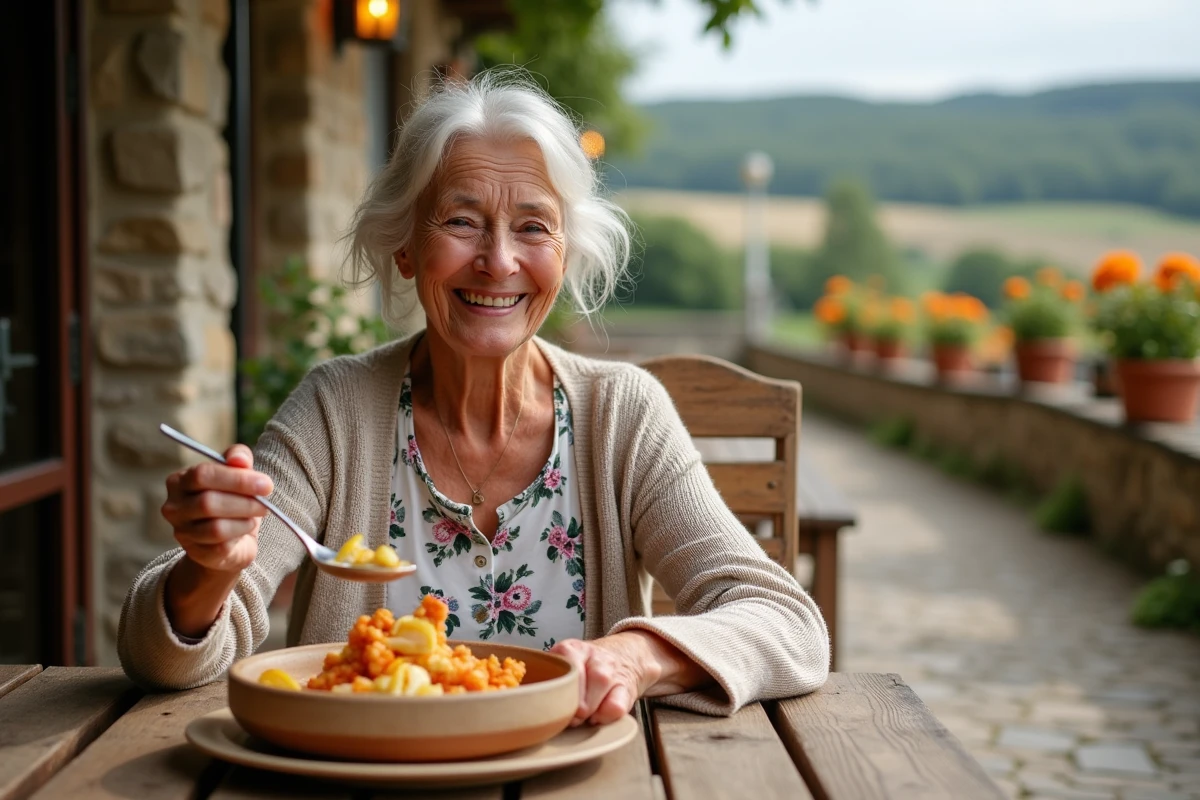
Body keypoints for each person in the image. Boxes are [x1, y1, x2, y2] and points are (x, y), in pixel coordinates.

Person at [118, 72, 829, 724]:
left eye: (532, 226)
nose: (498, 260)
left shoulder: (624, 416)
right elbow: (160, 658)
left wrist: (636, 657)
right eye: (460, 221)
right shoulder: (337, 410)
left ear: (565, 254)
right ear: (404, 248)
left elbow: (785, 622)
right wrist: (210, 572)